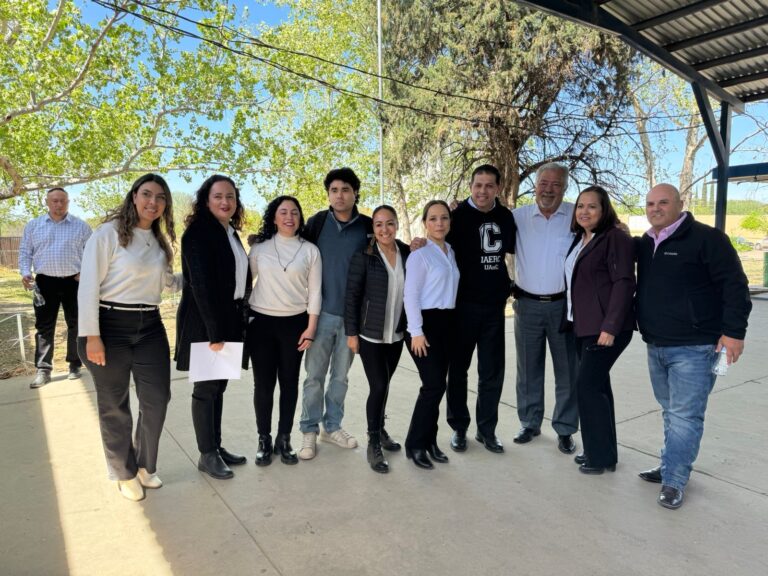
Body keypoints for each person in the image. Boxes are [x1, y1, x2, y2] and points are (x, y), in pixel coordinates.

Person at [636, 183, 751, 510]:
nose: (655, 208)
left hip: (695, 347)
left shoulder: (707, 239)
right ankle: (670, 463)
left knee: (686, 416)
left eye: (663, 202)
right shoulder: (647, 243)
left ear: (680, 204)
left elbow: (735, 286)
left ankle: (674, 480)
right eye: (650, 203)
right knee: (671, 412)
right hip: (656, 344)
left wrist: (734, 332)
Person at [77, 174, 177, 502]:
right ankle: (123, 472)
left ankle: (147, 465)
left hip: (149, 325)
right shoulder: (108, 234)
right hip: (109, 325)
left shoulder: (160, 242)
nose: (153, 202)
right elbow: (88, 286)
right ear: (134, 196)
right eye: (146, 194)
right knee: (114, 405)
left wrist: (203, 274)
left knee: (157, 398)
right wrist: (92, 336)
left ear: (166, 204)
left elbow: (167, 283)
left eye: (160, 197)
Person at [175, 175, 251, 480]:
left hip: (230, 318)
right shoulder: (198, 233)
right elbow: (201, 287)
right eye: (218, 196)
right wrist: (214, 333)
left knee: (220, 386)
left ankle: (216, 447)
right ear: (206, 200)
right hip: (208, 322)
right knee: (206, 389)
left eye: (230, 197)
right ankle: (206, 454)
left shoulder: (230, 232)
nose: (225, 202)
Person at [297, 168, 372, 460]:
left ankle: (332, 426)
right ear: (328, 194)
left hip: (353, 319)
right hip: (321, 315)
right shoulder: (316, 223)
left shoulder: (367, 227)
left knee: (340, 377)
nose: (339, 195)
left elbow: (392, 249)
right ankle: (308, 430)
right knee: (313, 376)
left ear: (355, 193)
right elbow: (292, 247)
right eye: (334, 190)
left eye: (345, 190)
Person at [563, 186, 635, 475]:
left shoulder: (614, 237)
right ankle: (602, 452)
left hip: (604, 328)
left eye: (592, 206)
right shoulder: (580, 240)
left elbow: (624, 283)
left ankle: (597, 456)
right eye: (580, 206)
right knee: (599, 388)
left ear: (604, 210)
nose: (584, 211)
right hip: (582, 325)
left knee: (588, 388)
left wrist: (610, 326)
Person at [444, 165, 515, 454]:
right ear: (470, 186)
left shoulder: (505, 217)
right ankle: (459, 428)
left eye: (489, 185)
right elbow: (439, 246)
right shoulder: (456, 216)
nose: (483, 191)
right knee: (458, 370)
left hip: (494, 307)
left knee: (492, 372)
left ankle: (487, 430)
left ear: (497, 188)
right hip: (463, 307)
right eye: (478, 185)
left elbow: (512, 253)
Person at [247, 196, 321, 467]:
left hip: (295, 325)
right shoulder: (260, 249)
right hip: (262, 324)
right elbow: (243, 285)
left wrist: (311, 328)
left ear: (300, 218)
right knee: (264, 385)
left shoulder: (310, 250)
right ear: (274, 217)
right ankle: (264, 439)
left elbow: (314, 292)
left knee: (289, 384)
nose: (289, 217)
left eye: (294, 212)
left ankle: (284, 438)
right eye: (283, 212)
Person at [511, 162, 579, 454]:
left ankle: (565, 429)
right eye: (543, 183)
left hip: (563, 306)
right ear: (535, 185)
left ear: (564, 188)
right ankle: (530, 422)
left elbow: (605, 231)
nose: (548, 190)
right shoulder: (518, 217)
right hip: (526, 305)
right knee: (527, 368)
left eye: (556, 184)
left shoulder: (576, 216)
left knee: (567, 371)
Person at [345, 205, 410, 473]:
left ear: (396, 225)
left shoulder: (407, 252)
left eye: (390, 223)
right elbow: (351, 296)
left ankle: (381, 430)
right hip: (369, 335)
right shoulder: (365, 255)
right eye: (379, 224)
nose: (385, 229)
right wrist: (351, 333)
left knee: (386, 384)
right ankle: (373, 443)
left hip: (395, 334)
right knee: (379, 386)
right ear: (373, 228)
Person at [403, 200, 460, 470]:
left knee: (438, 386)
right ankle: (415, 444)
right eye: (433, 219)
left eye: (444, 218)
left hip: (447, 324)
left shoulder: (450, 251)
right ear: (425, 223)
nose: (439, 223)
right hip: (423, 325)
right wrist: (416, 331)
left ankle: (430, 440)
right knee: (433, 385)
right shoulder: (419, 254)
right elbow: (410, 295)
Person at [19, 187, 91, 388]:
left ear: (68, 202)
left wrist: (85, 273)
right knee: (44, 327)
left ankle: (75, 365)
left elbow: (93, 254)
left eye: (63, 201)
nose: (59, 205)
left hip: (74, 282)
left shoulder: (81, 227)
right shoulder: (34, 226)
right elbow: (25, 252)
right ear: (47, 202)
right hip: (45, 282)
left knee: (76, 324)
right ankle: (43, 369)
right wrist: (25, 272)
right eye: (55, 201)